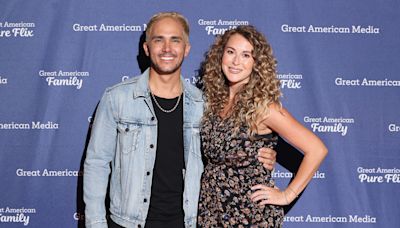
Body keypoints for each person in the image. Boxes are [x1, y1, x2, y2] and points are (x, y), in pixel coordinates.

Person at [83, 12, 276, 228]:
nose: (167, 48)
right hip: (128, 222)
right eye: (159, 40)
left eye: (175, 40)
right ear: (147, 48)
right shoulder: (117, 98)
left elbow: (226, 150)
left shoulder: (205, 104)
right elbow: (97, 164)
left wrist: (259, 154)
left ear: (186, 49)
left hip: (189, 222)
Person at [197, 25, 328, 227]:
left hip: (251, 215)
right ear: (220, 56)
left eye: (246, 55)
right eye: (230, 52)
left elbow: (317, 149)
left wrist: (287, 195)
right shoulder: (214, 102)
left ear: (256, 64)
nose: (236, 61)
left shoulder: (263, 107)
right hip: (211, 211)